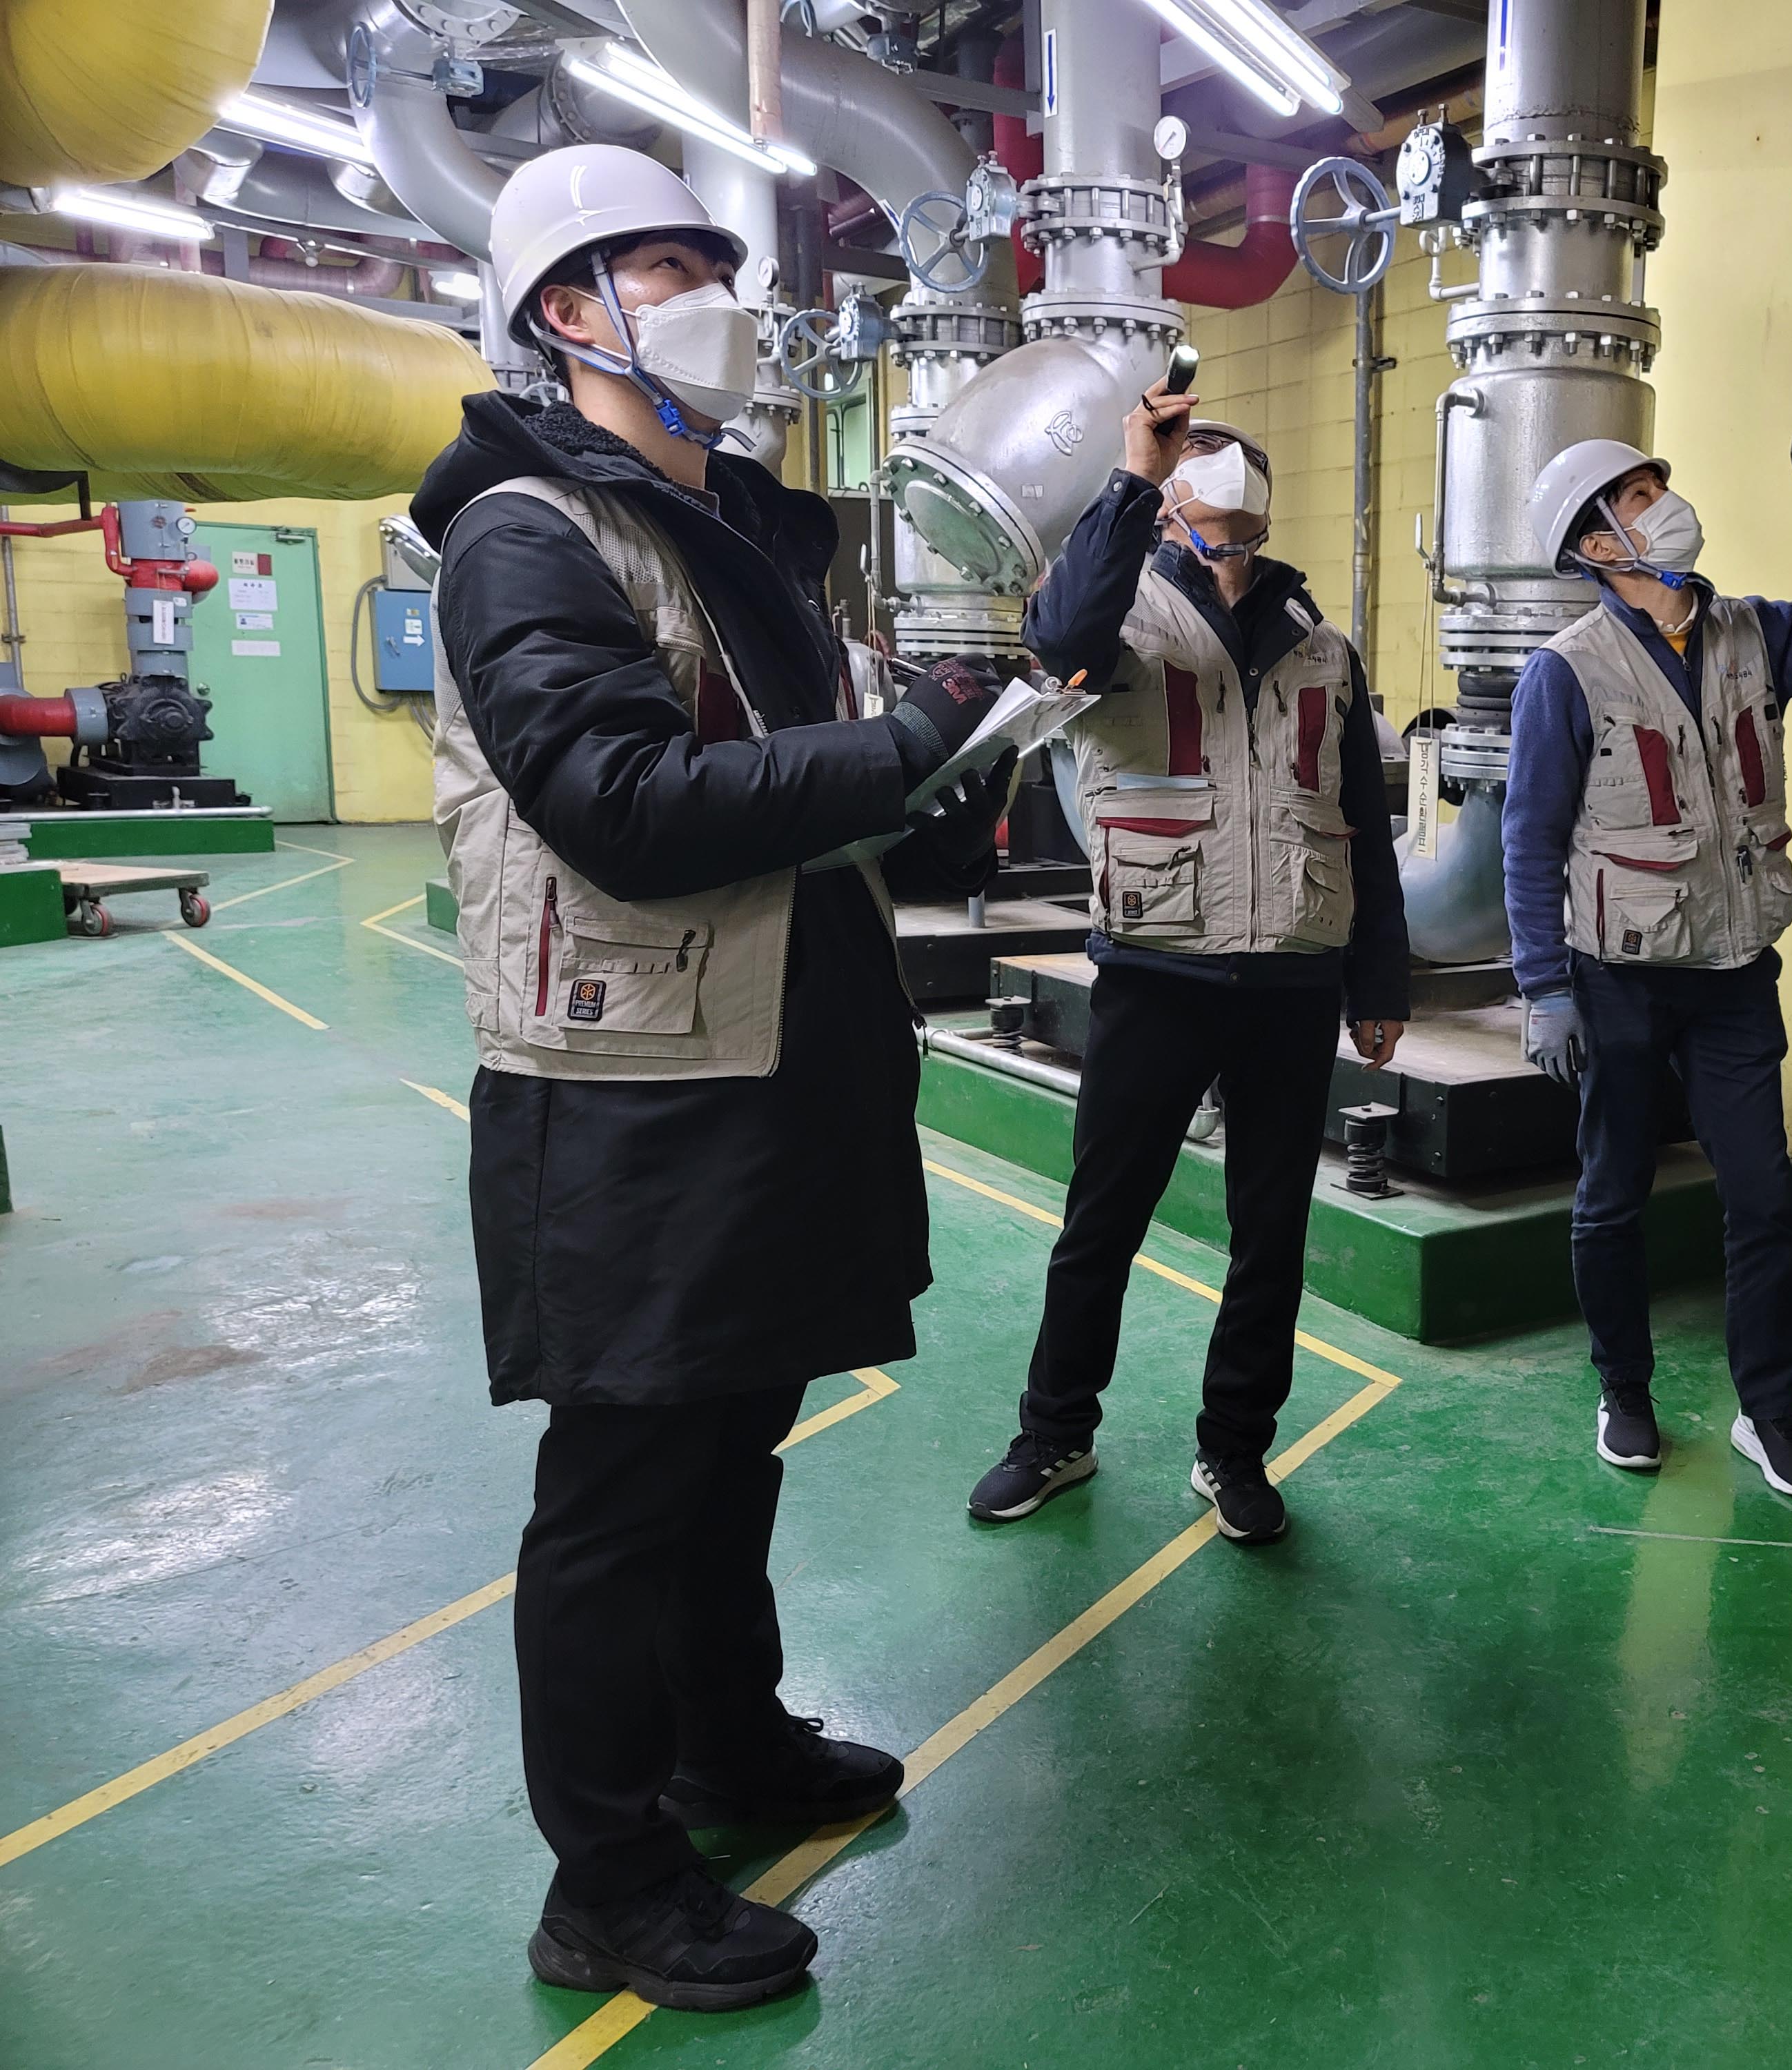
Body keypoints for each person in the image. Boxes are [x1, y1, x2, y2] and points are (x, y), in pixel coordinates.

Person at [415, 146, 1007, 2012]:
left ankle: (724, 1744)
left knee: (733, 1435)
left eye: (714, 267)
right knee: (624, 1483)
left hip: (769, 1052)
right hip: (629, 1088)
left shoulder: (737, 536)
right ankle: (604, 1884)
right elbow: (622, 807)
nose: (714, 303)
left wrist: (959, 761)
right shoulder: (528, 535)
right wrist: (897, 747)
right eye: (665, 269)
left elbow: (814, 790)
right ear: (567, 312)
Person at [965, 395, 1410, 1544]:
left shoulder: (1322, 644)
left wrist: (1380, 983)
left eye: (1241, 476)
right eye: (1196, 471)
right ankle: (1054, 1433)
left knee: (1271, 1236)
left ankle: (1236, 1450)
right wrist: (1126, 483)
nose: (1225, 488)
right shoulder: (1122, 612)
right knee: (1102, 1222)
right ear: (1168, 501)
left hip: (1294, 979)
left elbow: (1361, 819)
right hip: (1158, 969)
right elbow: (1058, 642)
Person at [1501, 419, 1792, 1499]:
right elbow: (1530, 839)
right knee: (1612, 1198)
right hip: (1618, 979)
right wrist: (1544, 987)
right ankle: (1624, 1394)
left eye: (1657, 486)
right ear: (1597, 545)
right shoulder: (1567, 672)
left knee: (1765, 1201)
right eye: (1639, 497)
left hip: (1735, 977)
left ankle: (1767, 1414)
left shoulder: (1755, 633)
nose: (1666, 505)